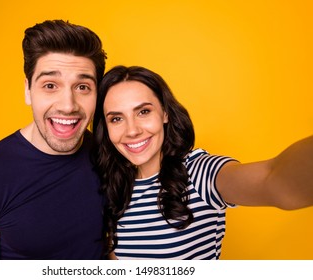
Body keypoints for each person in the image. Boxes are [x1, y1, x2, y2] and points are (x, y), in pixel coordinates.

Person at [92, 65, 313, 260]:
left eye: (143, 111)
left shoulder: (198, 172)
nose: (132, 130)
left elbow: (274, 181)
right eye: (117, 118)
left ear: (165, 113)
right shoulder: (114, 185)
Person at [0, 20, 107, 259]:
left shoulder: (112, 156)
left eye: (82, 87)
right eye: (50, 85)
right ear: (28, 91)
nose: (68, 105)